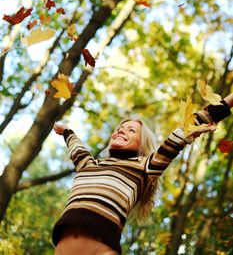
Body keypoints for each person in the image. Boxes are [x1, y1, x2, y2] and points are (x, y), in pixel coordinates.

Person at [52, 93, 233, 255]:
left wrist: (229, 100)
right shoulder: (88, 165)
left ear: (141, 144)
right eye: (120, 128)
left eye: (131, 130)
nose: (121, 130)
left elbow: (186, 128)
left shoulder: (144, 167)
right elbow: (76, 146)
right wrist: (66, 130)